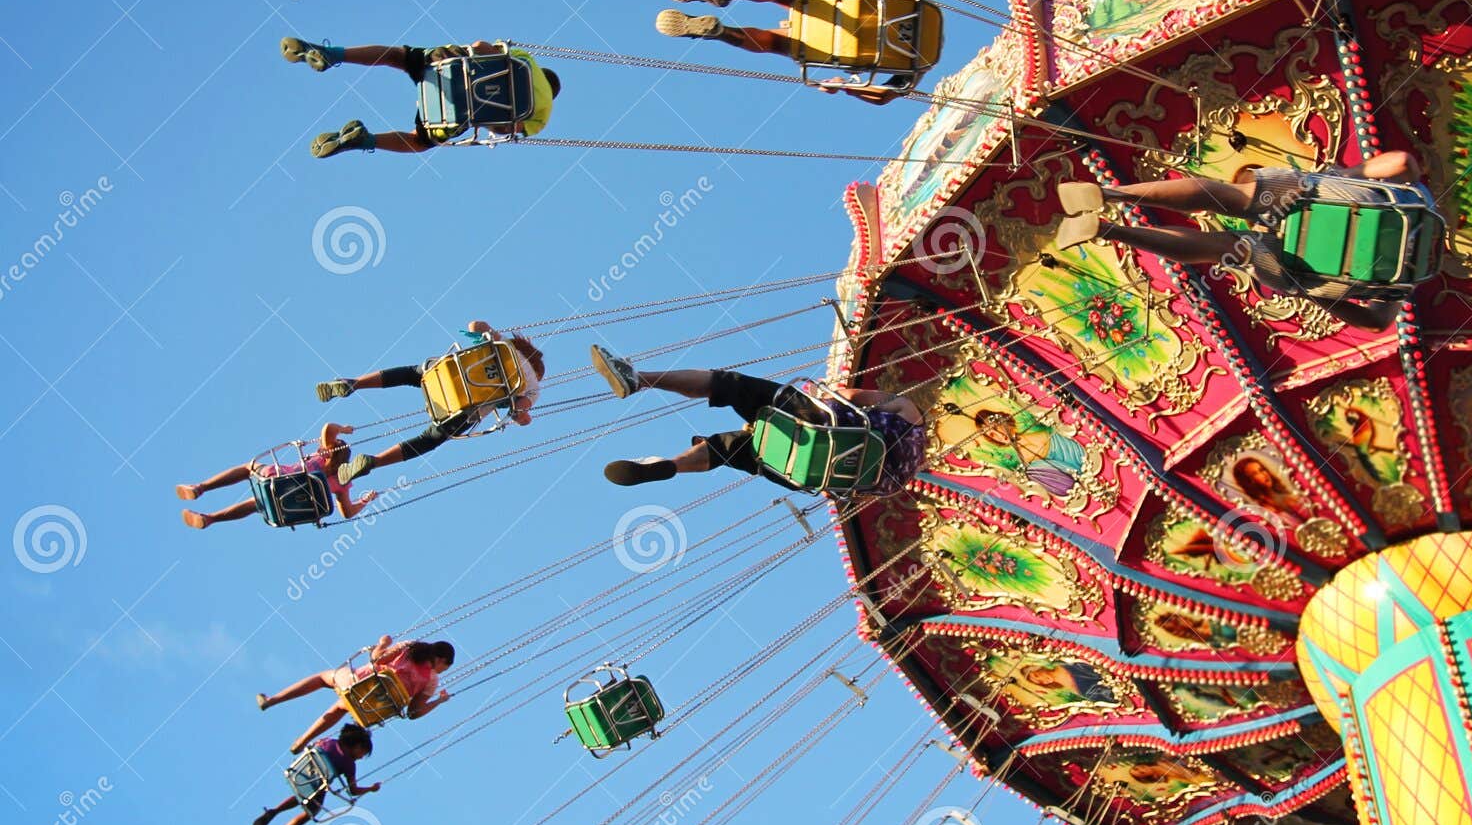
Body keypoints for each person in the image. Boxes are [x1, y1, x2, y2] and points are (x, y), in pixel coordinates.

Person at [1054, 151, 1433, 331]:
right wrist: (1315, 294)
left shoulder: (1421, 199)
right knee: (1221, 248)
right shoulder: (1406, 281)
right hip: (1310, 269)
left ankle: (1111, 194)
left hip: (1324, 202)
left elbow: (1401, 161)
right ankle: (1109, 231)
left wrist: (1336, 175)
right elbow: (1376, 322)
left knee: (1235, 197)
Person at [589, 347, 925, 491]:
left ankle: (640, 378)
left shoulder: (910, 413)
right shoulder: (903, 476)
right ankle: (672, 464)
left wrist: (818, 396)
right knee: (730, 451)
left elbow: (850, 397)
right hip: (805, 472)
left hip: (819, 424)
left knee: (727, 385)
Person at [655, 0, 932, 105]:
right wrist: (844, 86)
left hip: (841, 4)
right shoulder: (918, 66)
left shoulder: (911, 3)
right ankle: (723, 33)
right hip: (841, 49)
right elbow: (886, 96)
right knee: (777, 43)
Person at [314, 321, 543, 485]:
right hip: (463, 409)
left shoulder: (506, 346)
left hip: (442, 374)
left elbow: (475, 325)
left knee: (409, 374)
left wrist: (488, 334)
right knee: (428, 440)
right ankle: (373, 462)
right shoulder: (534, 388)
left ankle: (353, 383)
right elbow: (521, 409)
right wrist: (522, 418)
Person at [280, 37, 560, 157]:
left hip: (448, 65)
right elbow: (508, 128)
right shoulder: (543, 115)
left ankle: (334, 54)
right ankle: (363, 140)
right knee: (419, 141)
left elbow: (480, 47)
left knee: (397, 57)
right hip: (460, 113)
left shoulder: (528, 60)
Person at [256, 635, 455, 753]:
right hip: (375, 709)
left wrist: (382, 643)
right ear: (442, 660)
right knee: (341, 706)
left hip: (359, 684)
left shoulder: (411, 647)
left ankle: (272, 700)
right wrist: (439, 701)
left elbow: (378, 659)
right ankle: (304, 740)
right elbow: (414, 712)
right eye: (443, 668)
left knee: (325, 677)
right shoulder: (431, 681)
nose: (440, 672)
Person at [175, 423, 376, 529]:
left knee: (249, 468)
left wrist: (344, 429)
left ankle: (200, 488)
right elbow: (348, 512)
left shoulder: (322, 455)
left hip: (280, 479)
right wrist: (365, 501)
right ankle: (210, 519)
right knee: (258, 503)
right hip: (295, 504)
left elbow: (328, 428)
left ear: (330, 448)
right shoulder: (344, 481)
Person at [251, 723, 377, 825]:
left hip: (303, 774)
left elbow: (315, 746)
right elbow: (353, 790)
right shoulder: (349, 764)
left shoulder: (329, 742)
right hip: (318, 786)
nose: (361, 758)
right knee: (312, 811)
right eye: (363, 753)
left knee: (304, 794)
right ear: (357, 746)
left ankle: (275, 811)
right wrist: (371, 789)